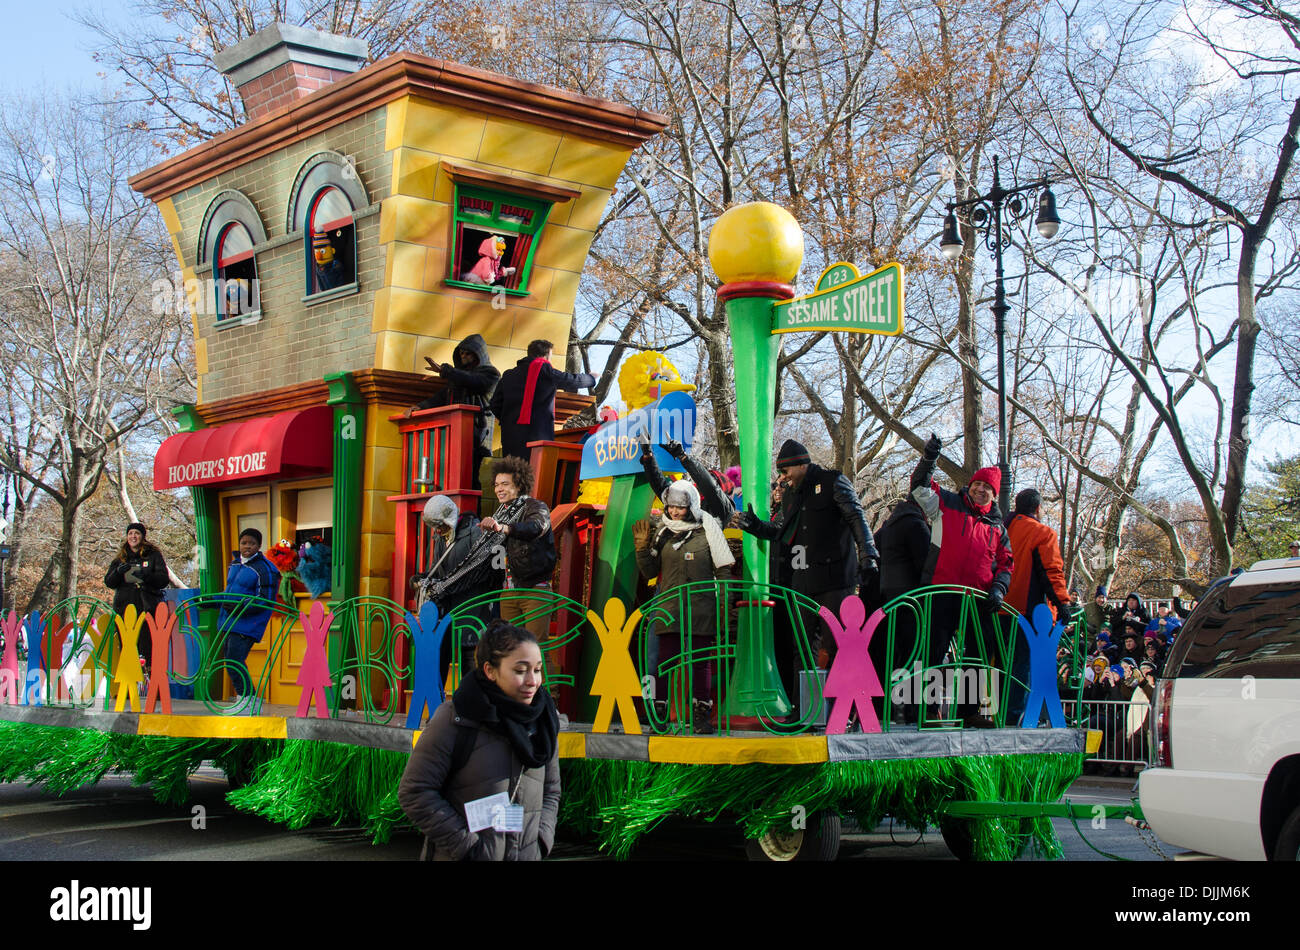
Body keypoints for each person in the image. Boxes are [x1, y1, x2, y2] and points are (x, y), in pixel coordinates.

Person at [397, 620, 560, 861]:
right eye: (520, 670)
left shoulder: (544, 721)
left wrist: (541, 842)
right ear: (490, 671)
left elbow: (551, 791)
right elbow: (415, 791)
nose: (532, 681)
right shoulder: (455, 717)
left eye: (537, 670)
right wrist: (468, 847)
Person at [735, 439, 879, 668]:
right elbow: (781, 531)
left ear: (801, 464)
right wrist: (755, 526)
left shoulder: (833, 482)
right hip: (803, 583)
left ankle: (833, 703)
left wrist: (868, 554)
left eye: (785, 470)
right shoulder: (791, 495)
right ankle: (803, 703)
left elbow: (856, 516)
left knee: (833, 647)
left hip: (835, 581)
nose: (782, 477)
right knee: (801, 649)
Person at [907, 433, 1013, 726]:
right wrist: (929, 458)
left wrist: (999, 590)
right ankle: (925, 711)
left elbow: (1006, 564)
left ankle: (969, 712)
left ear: (993, 495)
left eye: (986, 487)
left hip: (978, 598)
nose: (980, 490)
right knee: (932, 650)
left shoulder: (998, 528)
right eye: (977, 484)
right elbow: (919, 487)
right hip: (941, 591)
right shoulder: (947, 503)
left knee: (979, 654)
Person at [634, 480, 735, 733]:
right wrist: (641, 549)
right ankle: (658, 714)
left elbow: (723, 570)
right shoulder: (662, 532)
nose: (674, 512)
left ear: (691, 505)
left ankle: (701, 716)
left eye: (679, 507)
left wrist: (723, 606)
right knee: (664, 662)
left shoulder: (708, 528)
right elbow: (649, 571)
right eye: (670, 507)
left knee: (700, 662)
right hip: (669, 608)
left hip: (701, 608)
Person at [1004, 488, 1079, 724]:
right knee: (1023, 667)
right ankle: (1017, 718)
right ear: (1037, 509)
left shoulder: (1002, 527)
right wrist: (1063, 603)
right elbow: (1051, 571)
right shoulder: (1042, 533)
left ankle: (995, 714)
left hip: (998, 608)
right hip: (1029, 611)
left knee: (1000, 664)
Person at [480, 458, 558, 672]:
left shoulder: (535, 507)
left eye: (504, 484)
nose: (498, 489)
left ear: (518, 484)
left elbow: (536, 527)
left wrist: (505, 528)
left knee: (537, 649)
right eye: (496, 485)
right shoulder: (501, 513)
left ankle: (549, 700)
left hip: (534, 588)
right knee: (512, 651)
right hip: (509, 591)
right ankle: (518, 701)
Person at [413, 495, 502, 681]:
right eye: (435, 527)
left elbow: (483, 572)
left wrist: (445, 585)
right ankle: (440, 707)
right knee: (439, 660)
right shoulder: (441, 538)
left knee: (470, 661)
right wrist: (421, 579)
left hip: (473, 608)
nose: (438, 531)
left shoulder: (476, 534)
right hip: (448, 611)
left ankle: (469, 709)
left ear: (450, 519)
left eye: (441, 526)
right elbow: (437, 572)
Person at [408, 334, 500, 490]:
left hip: (476, 436)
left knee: (469, 480)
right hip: (454, 434)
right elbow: (443, 395)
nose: (463, 355)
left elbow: (473, 381)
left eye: (468, 353)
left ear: (478, 354)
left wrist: (445, 370)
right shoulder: (458, 377)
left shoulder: (490, 373)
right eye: (461, 352)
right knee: (450, 479)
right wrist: (421, 406)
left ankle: (471, 514)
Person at [489, 339, 596, 461]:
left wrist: (508, 419)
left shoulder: (509, 375)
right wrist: (591, 378)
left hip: (510, 435)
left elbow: (494, 404)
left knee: (511, 473)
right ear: (547, 355)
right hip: (536, 436)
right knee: (533, 475)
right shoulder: (544, 370)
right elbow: (571, 380)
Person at [217, 528, 280, 700]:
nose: (247, 547)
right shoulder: (235, 564)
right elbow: (228, 593)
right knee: (229, 662)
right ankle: (246, 698)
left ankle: (248, 699)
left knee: (234, 660)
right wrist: (212, 601)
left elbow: (265, 599)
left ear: (259, 546)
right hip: (228, 621)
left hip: (247, 625)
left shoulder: (265, 569)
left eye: (252, 543)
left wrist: (237, 606)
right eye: (244, 543)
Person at [103, 523, 170, 673]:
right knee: (127, 646)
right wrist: (119, 572)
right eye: (130, 533)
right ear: (127, 537)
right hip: (124, 608)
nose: (133, 536)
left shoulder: (153, 555)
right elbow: (109, 582)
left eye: (137, 533)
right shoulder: (121, 558)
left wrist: (146, 575)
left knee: (146, 647)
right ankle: (128, 683)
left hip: (146, 607)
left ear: (142, 536)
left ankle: (149, 682)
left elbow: (163, 579)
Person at [637, 439, 734, 522]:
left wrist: (684, 457)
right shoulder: (690, 507)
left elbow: (710, 487)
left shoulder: (723, 512)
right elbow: (662, 488)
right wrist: (648, 457)